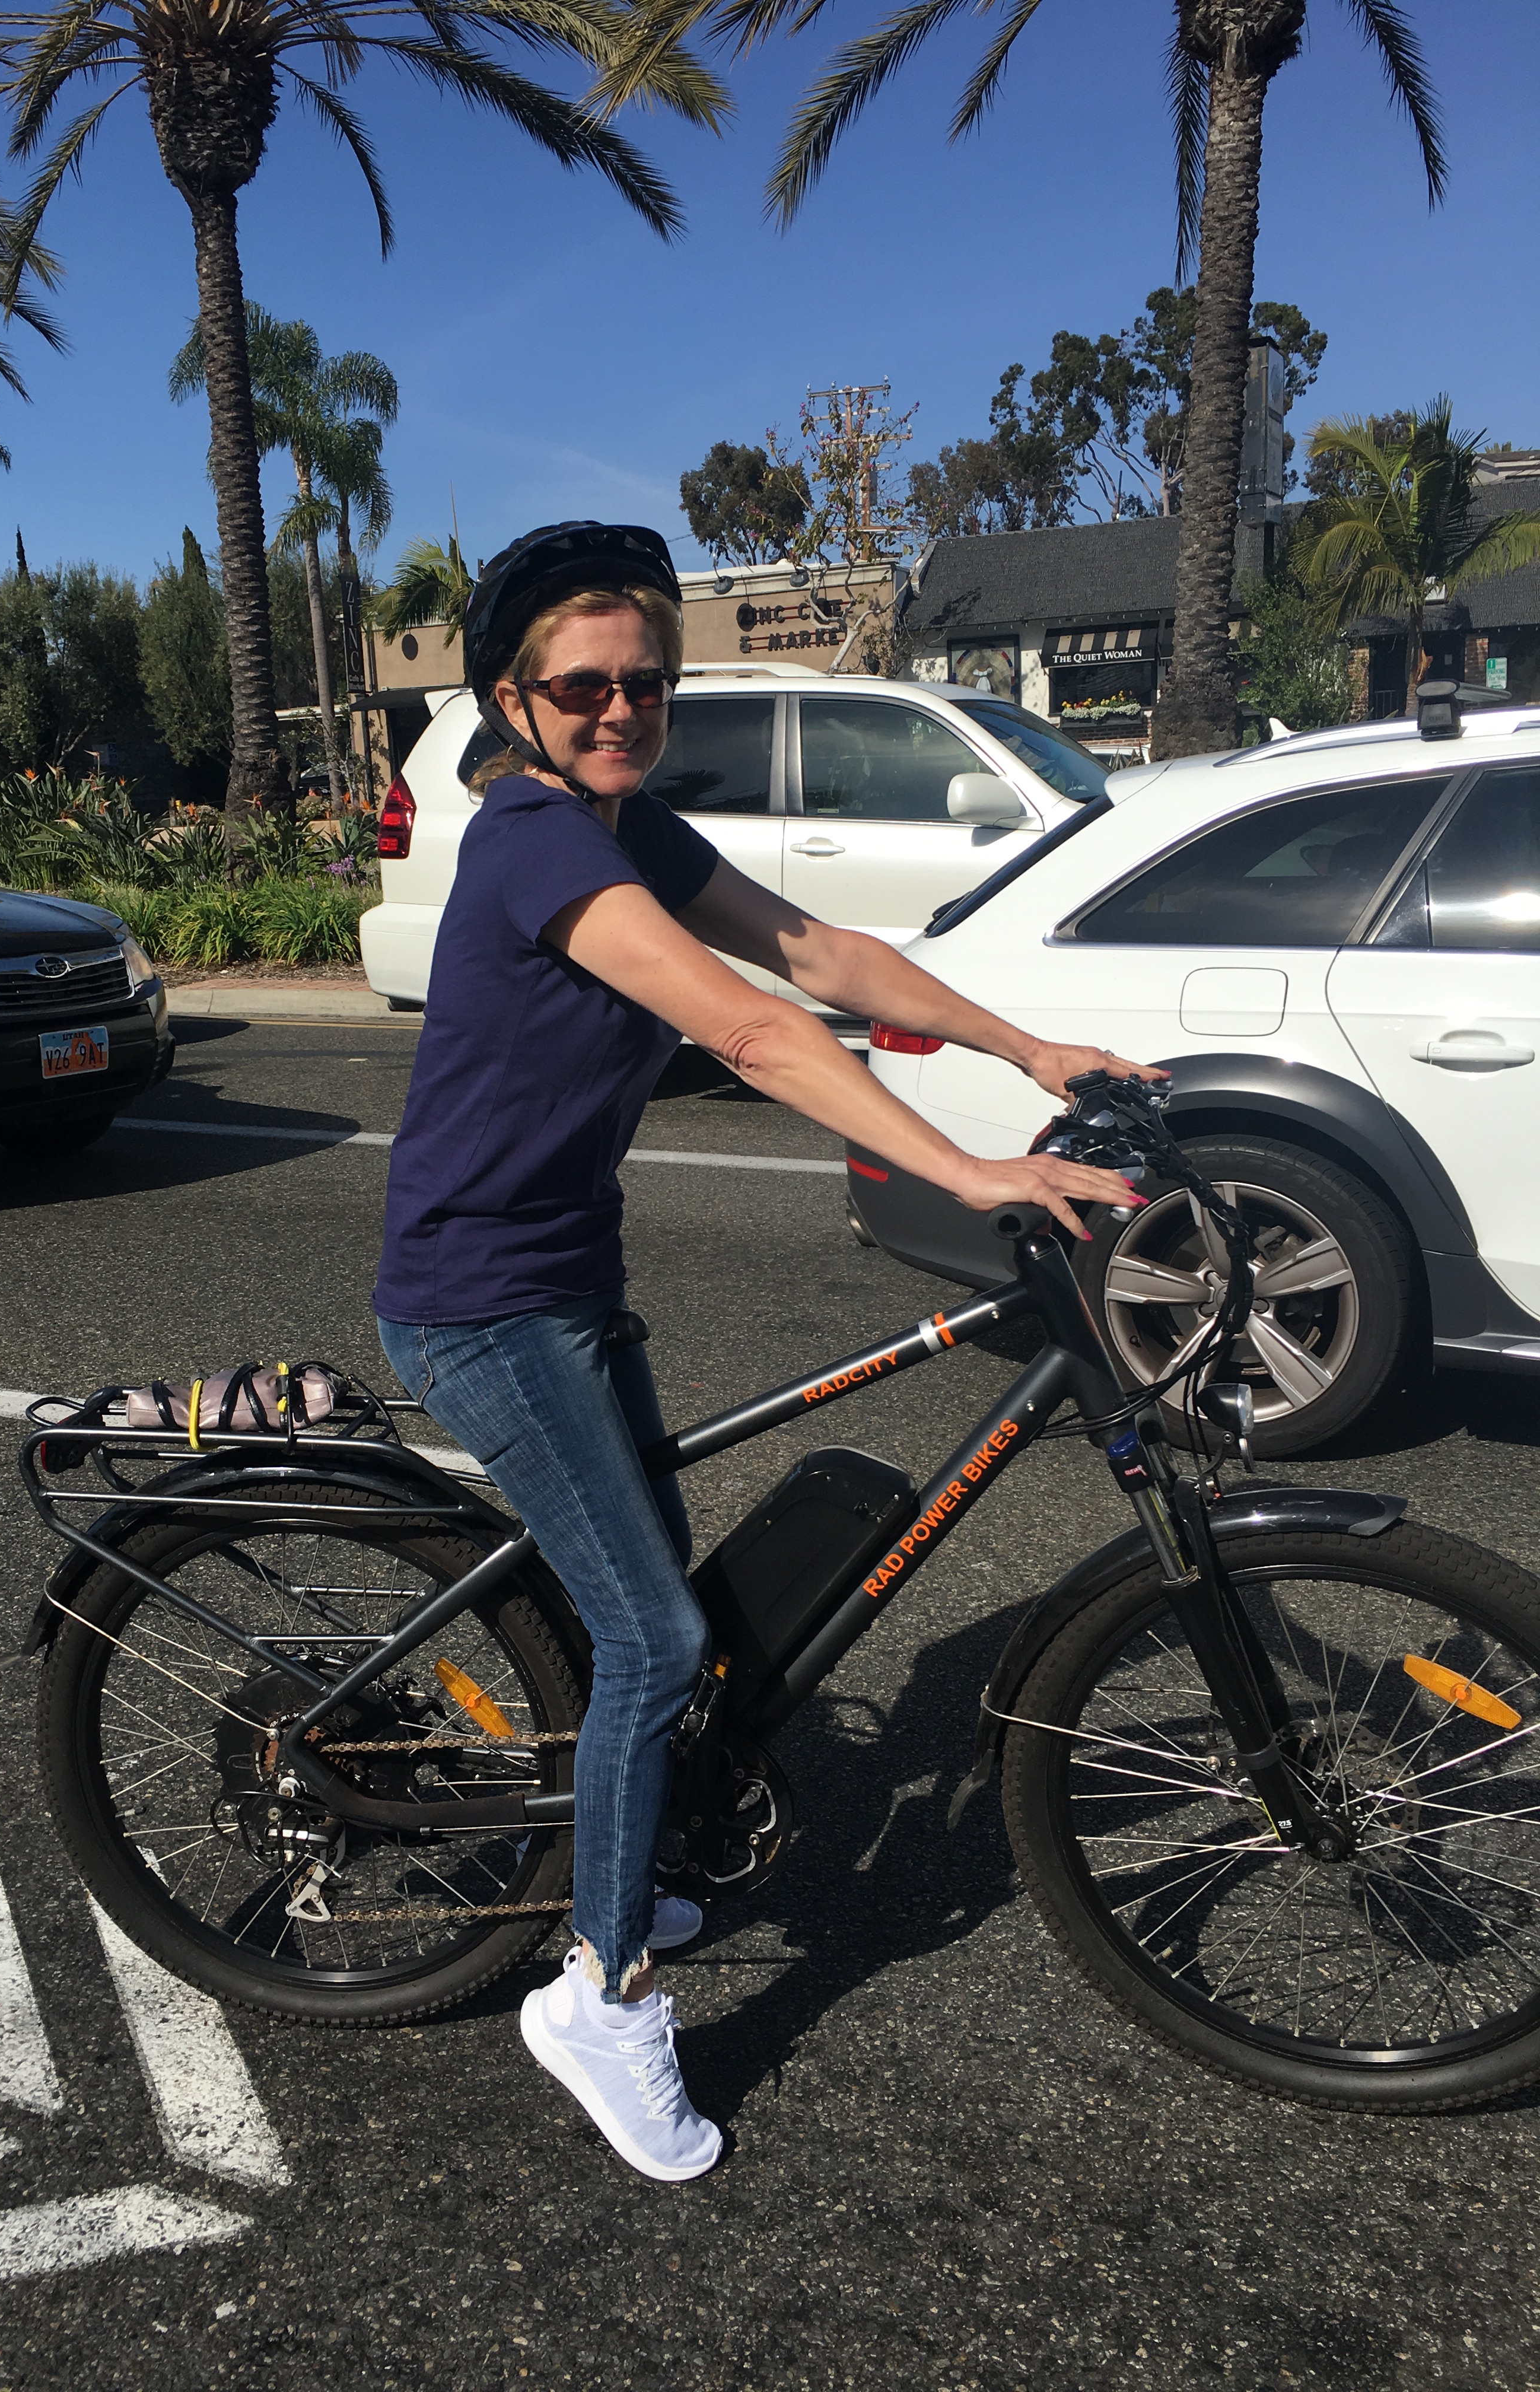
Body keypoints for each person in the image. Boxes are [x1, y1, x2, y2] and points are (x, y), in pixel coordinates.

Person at [374, 522, 1155, 2183]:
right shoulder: (532, 844)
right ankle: (599, 1998)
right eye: (584, 687)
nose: (621, 710)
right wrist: (964, 1169)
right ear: (513, 702)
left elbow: (823, 958)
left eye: (647, 684)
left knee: (651, 1611)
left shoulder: (628, 826)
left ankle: (623, 1844)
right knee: (656, 1640)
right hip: (477, 1303)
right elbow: (748, 1025)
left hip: (571, 1281)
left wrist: (1033, 1052)